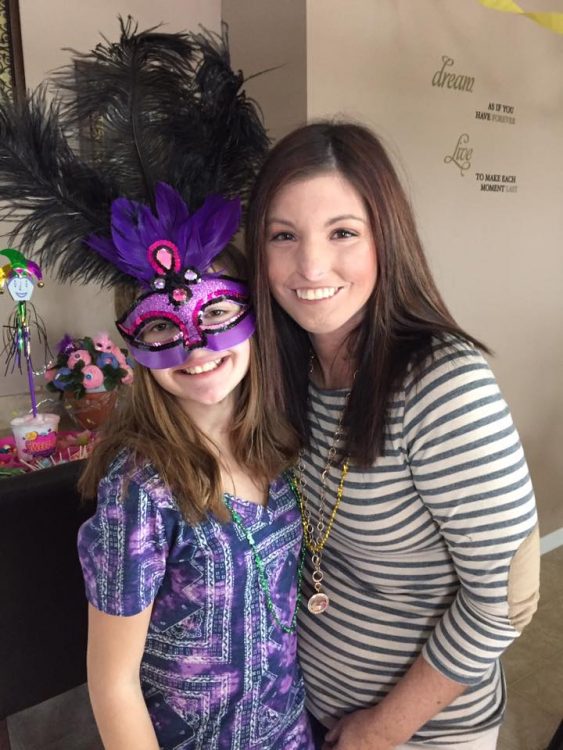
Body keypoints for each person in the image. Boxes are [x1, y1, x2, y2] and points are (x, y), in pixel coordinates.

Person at [0, 20, 313, 750]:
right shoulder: (142, 487)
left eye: (217, 313)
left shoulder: (280, 448)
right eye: (163, 328)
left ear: (255, 318)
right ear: (132, 346)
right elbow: (111, 682)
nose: (195, 348)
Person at [247, 121, 540, 750]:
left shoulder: (441, 382)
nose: (310, 266)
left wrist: (382, 730)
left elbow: (508, 597)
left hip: (420, 734)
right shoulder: (289, 367)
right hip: (309, 709)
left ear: (387, 239)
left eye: (343, 233)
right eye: (283, 236)